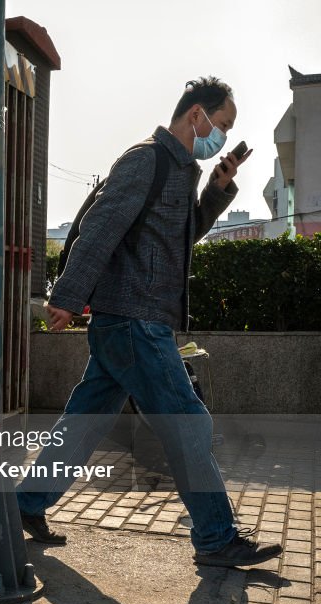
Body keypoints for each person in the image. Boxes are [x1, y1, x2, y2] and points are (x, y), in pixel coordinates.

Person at [16, 77, 282, 568]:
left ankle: (24, 504)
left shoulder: (182, 172)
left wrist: (217, 189)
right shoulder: (147, 160)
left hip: (130, 320)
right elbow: (100, 228)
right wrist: (69, 296)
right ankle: (216, 535)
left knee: (83, 422)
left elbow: (178, 239)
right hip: (135, 320)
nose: (221, 137)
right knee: (187, 422)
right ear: (196, 114)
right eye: (221, 125)